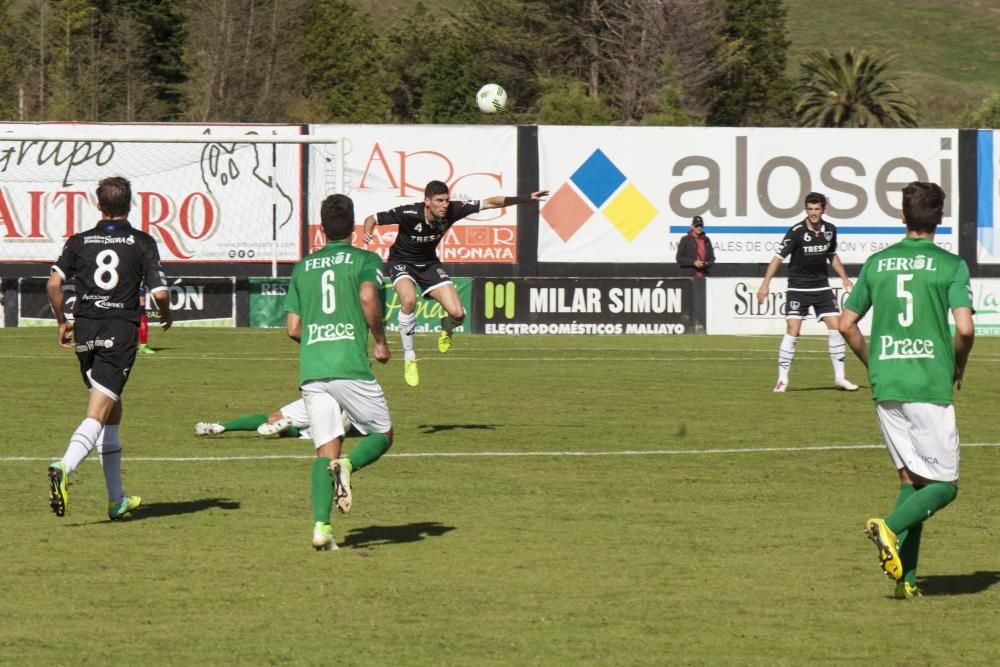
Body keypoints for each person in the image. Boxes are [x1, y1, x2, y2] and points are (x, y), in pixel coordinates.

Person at [839, 181, 974, 599]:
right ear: (940, 219)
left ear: (902, 217)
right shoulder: (951, 266)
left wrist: (874, 363)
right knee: (944, 485)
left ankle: (906, 581)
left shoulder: (877, 264)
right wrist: (958, 364)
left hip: (887, 385)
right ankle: (888, 527)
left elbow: (846, 324)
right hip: (928, 384)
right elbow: (965, 328)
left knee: (912, 482)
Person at [46, 176, 172, 520]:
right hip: (119, 331)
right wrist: (167, 315)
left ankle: (116, 499)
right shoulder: (142, 241)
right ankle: (64, 466)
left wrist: (62, 320)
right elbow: (160, 293)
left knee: (112, 410)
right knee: (98, 412)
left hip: (85, 330)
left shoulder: (80, 241)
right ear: (130, 204)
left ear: (98, 205)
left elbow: (54, 284)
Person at [363, 180, 548, 387]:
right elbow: (373, 218)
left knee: (458, 314)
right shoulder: (408, 213)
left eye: (446, 200)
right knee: (408, 300)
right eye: (439, 201)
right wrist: (368, 232)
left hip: (430, 264)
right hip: (401, 262)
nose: (444, 205)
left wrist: (525, 199)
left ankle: (447, 328)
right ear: (427, 202)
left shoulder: (453, 210)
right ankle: (409, 357)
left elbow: (490, 203)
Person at [287, 193, 394, 551]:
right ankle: (348, 465)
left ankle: (321, 528)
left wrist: (320, 339)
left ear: (322, 227)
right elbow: (367, 298)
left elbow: (292, 327)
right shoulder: (365, 258)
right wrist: (379, 340)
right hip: (349, 364)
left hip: (313, 367)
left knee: (323, 452)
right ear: (351, 226)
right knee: (383, 433)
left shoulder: (303, 267)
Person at [756, 192, 859, 392]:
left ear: (823, 210)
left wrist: (844, 277)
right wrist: (765, 284)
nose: (813, 213)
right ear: (806, 210)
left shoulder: (830, 230)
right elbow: (778, 258)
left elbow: (832, 255)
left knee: (836, 328)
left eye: (817, 209)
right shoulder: (796, 232)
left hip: (821, 287)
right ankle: (782, 379)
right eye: (810, 209)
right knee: (793, 330)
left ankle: (840, 377)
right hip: (798, 288)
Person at [193, 398, 353, 440]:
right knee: (280, 420)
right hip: (339, 406)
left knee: (276, 418)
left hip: (330, 398)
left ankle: (223, 427)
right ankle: (289, 430)